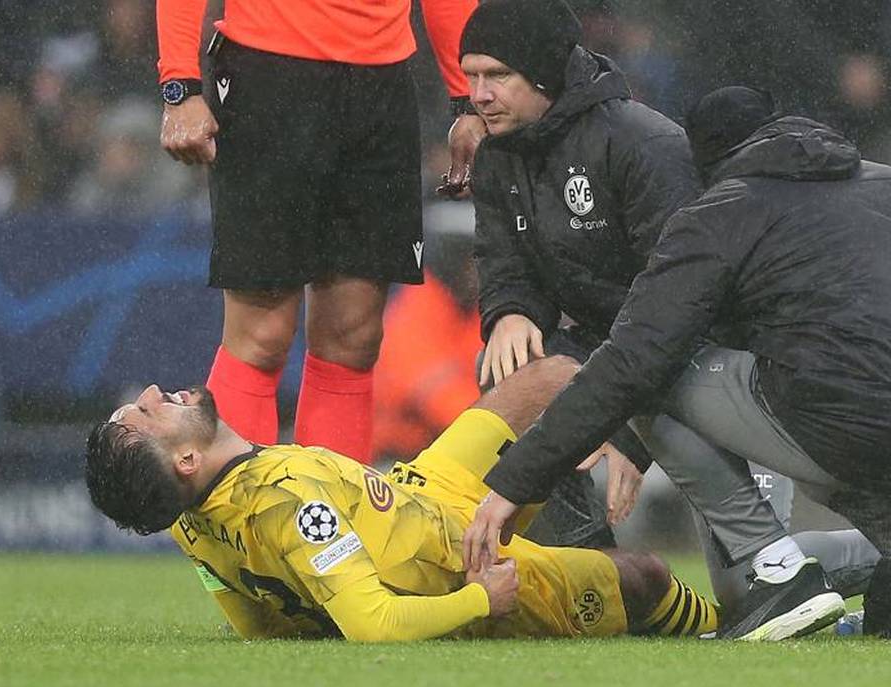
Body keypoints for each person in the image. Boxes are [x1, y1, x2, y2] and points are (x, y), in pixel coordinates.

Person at [465, 86, 891, 641]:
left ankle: (775, 567)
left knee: (656, 370)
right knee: (830, 406)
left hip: (844, 421)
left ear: (703, 162)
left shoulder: (723, 209)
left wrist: (516, 482)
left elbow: (634, 359)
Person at [459, 0, 840, 639]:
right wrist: (510, 311)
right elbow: (501, 255)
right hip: (614, 354)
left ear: (544, 74)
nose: (478, 95)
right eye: (470, 76)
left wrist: (633, 432)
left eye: (496, 75)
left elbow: (695, 307)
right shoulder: (498, 154)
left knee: (748, 593)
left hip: (706, 357)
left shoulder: (645, 145)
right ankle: (590, 572)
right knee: (510, 367)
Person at [83, 356, 719, 641]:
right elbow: (372, 624)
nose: (155, 392)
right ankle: (730, 624)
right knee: (645, 577)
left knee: (550, 380)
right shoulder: (286, 504)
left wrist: (310, 607)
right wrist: (479, 599)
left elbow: (252, 621)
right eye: (148, 413)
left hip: (422, 488)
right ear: (186, 461)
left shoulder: (189, 525)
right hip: (454, 561)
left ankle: (630, 440)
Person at [156, 0, 487, 464]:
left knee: (353, 336)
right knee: (261, 333)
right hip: (267, 72)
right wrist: (179, 85)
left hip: (381, 83)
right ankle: (234, 506)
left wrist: (469, 97)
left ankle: (329, 508)